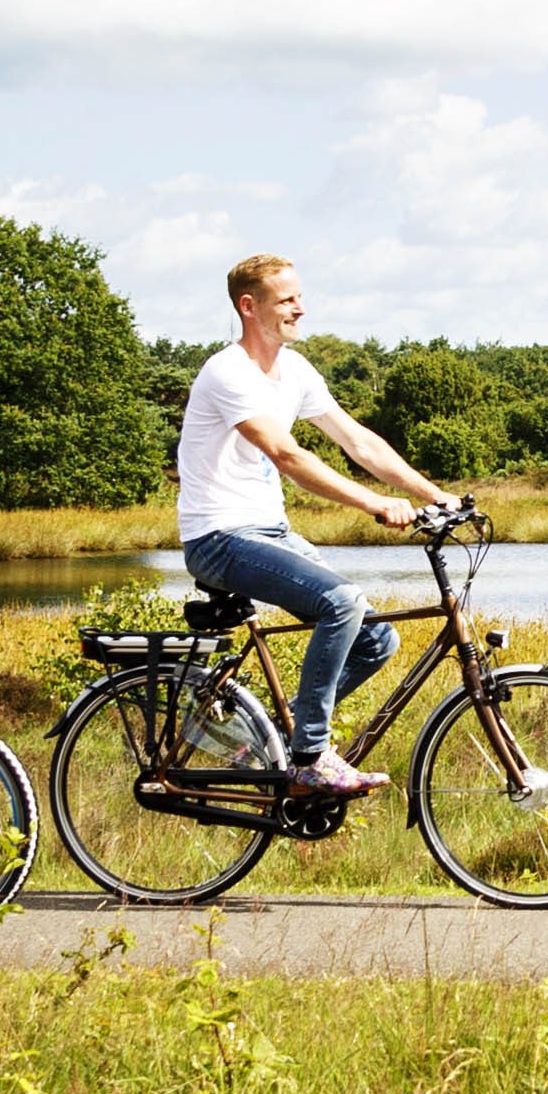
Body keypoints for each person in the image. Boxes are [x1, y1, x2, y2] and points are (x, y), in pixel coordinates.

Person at [179, 252, 460, 796]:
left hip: (269, 531)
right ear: (248, 307)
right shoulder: (227, 371)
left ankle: (270, 738)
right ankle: (310, 755)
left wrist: (434, 495)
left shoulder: (296, 370)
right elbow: (286, 454)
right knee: (342, 602)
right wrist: (374, 503)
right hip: (219, 537)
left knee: (376, 640)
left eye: (299, 297)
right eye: (286, 300)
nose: (300, 308)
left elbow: (359, 442)